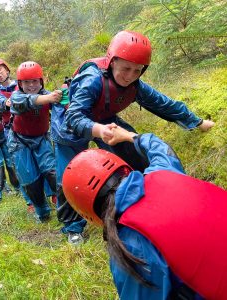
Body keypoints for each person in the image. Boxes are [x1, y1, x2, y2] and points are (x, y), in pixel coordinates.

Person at [55, 30, 215, 243]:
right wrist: (99, 130)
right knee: (68, 176)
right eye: (125, 68)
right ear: (112, 62)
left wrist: (197, 122)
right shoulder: (92, 79)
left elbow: (164, 104)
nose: (130, 75)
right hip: (69, 126)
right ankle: (73, 228)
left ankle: (144, 205)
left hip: (104, 119)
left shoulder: (135, 85)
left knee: (135, 154)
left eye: (137, 70)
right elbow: (74, 117)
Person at [62, 127, 227, 300]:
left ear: (88, 211)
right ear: (125, 169)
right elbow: (159, 147)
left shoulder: (128, 245)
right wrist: (128, 136)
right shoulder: (163, 170)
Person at [0, 57, 55, 206]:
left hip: (38, 130)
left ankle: (52, 194)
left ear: (6, 69)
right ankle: (31, 202)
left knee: (47, 166)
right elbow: (4, 104)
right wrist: (8, 102)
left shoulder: (23, 84)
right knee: (24, 169)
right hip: (13, 131)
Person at [8, 61, 61, 222]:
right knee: (30, 180)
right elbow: (23, 102)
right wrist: (48, 98)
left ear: (41, 81)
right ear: (20, 83)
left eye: (34, 81)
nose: (31, 85)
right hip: (19, 142)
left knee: (53, 174)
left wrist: (63, 96)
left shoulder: (48, 94)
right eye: (26, 82)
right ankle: (42, 212)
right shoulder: (16, 96)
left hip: (42, 139)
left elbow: (60, 106)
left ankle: (66, 209)